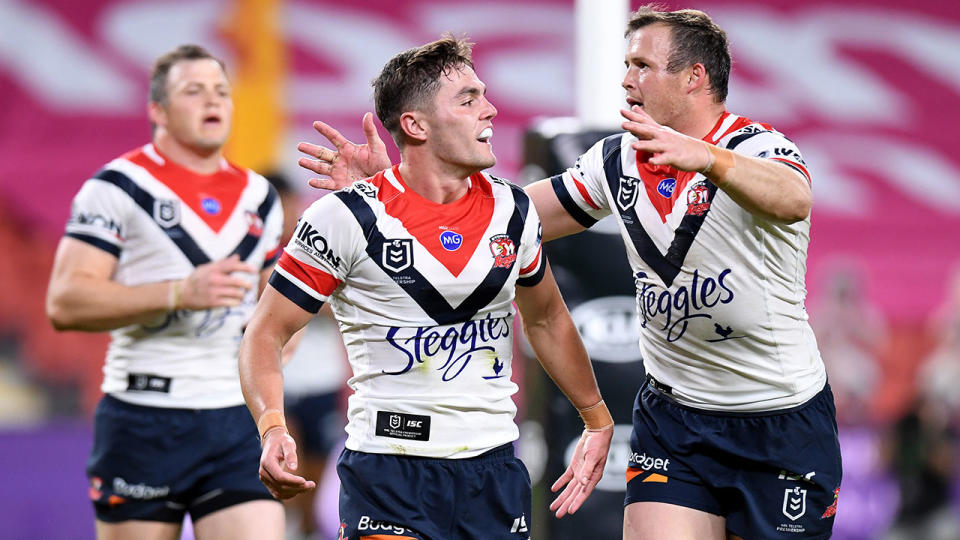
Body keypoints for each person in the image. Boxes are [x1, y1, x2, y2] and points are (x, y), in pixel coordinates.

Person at [298, 6, 842, 539]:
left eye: (642, 66)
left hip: (779, 417)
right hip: (676, 419)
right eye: (627, 65)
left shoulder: (756, 147)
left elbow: (794, 198)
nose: (625, 78)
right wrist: (399, 187)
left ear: (694, 78)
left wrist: (707, 159)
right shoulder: (618, 161)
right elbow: (502, 221)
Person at [238, 36, 614, 540]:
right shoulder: (345, 217)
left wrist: (596, 418)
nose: (491, 109)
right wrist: (273, 426)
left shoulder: (514, 212)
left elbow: (547, 318)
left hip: (494, 470)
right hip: (388, 471)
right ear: (415, 125)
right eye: (468, 99)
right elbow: (264, 335)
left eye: (483, 94)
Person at [45, 44, 285, 540]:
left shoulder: (261, 196)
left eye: (221, 91)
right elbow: (64, 302)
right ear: (158, 109)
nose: (211, 100)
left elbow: (275, 311)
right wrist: (178, 292)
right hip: (144, 418)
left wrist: (273, 360)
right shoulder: (115, 187)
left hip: (236, 418)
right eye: (193, 91)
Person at [267, 172, 350, 539]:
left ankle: (305, 530)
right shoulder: (252, 255)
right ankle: (284, 529)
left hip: (321, 381)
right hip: (276, 383)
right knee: (281, 466)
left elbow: (344, 304)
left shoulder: (319, 248)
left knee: (312, 476)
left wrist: (297, 300)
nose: (285, 213)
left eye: (288, 204)